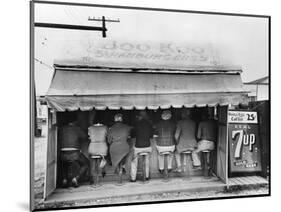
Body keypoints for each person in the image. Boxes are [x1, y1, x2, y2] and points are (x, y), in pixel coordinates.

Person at [59, 120, 89, 188]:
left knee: (63, 165)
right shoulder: (77, 128)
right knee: (85, 164)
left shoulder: (61, 129)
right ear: (75, 121)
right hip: (74, 153)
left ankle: (64, 180)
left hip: (63, 153)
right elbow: (84, 137)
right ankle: (76, 178)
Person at [130, 111, 153, 182]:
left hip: (138, 147)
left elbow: (132, 135)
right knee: (147, 160)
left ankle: (133, 178)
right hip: (147, 147)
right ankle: (146, 176)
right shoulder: (149, 124)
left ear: (140, 116)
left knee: (134, 161)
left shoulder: (136, 124)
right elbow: (151, 136)